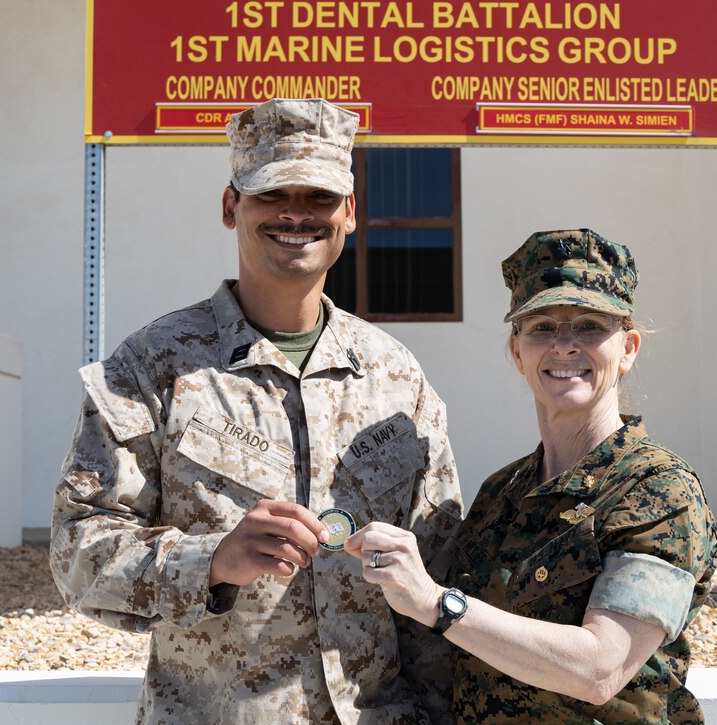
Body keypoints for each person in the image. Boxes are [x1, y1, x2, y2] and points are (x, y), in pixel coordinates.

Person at [50, 98, 463, 724]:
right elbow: (77, 554)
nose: (296, 213)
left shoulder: (397, 378)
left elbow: (439, 569)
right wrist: (212, 561)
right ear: (229, 207)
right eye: (272, 193)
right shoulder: (152, 367)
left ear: (349, 214)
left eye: (320, 197)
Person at [345, 229, 717, 723]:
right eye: (541, 326)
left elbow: (599, 669)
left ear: (627, 348)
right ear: (517, 351)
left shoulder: (656, 490)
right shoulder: (501, 493)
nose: (563, 346)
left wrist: (435, 603)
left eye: (588, 326)